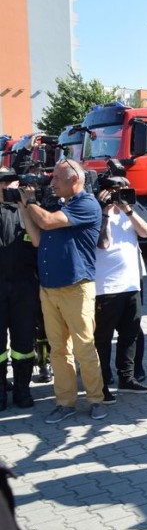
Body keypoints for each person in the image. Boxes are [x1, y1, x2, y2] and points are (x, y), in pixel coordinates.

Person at [17, 159, 107, 423]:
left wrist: (30, 202)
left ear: (74, 180)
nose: (52, 182)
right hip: (49, 288)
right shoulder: (58, 205)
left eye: (57, 178)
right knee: (58, 350)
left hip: (76, 288)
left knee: (84, 348)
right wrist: (25, 207)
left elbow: (45, 222)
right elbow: (36, 238)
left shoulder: (87, 204)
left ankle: (96, 400)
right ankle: (65, 403)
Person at [92, 184, 147, 404]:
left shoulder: (129, 214)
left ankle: (127, 378)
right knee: (103, 339)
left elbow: (146, 232)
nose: (118, 196)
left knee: (130, 335)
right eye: (114, 192)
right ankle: (101, 383)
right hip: (106, 288)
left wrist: (127, 209)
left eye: (122, 190)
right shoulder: (96, 214)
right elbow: (103, 243)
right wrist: (105, 212)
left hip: (131, 285)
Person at [0, 167, 39, 411]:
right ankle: (1, 391)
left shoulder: (27, 211)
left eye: (11, 182)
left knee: (24, 342)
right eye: (2, 182)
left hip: (24, 287)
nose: (7, 186)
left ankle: (23, 389)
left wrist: (28, 204)